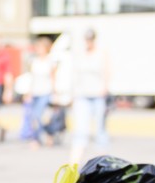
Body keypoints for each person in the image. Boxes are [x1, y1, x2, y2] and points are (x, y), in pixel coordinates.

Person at [67, 28, 110, 164]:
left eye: (90, 39)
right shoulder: (80, 54)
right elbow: (75, 75)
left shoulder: (101, 54)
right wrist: (72, 94)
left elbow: (107, 71)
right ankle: (73, 163)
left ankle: (104, 164)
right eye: (87, 39)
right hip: (82, 95)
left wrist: (105, 88)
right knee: (80, 129)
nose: (88, 42)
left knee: (100, 129)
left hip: (97, 95)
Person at [19, 36, 60, 148]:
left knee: (39, 116)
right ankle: (40, 137)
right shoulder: (35, 61)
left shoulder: (50, 61)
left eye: (41, 47)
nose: (38, 50)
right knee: (33, 117)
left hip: (46, 92)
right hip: (36, 92)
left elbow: (53, 78)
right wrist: (29, 93)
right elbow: (32, 78)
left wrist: (55, 94)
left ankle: (43, 135)